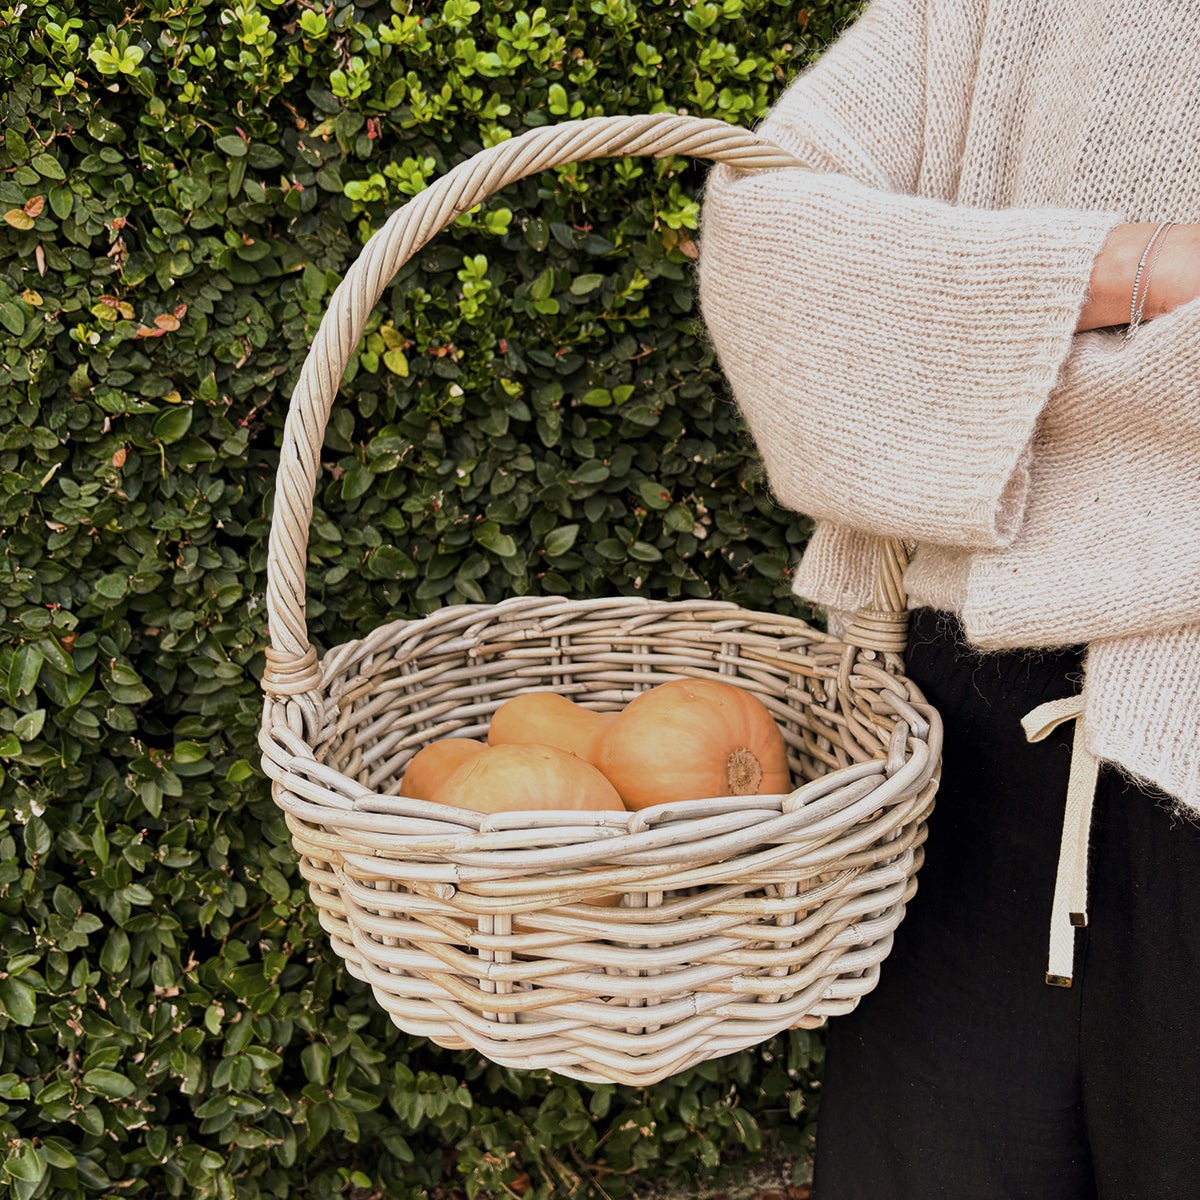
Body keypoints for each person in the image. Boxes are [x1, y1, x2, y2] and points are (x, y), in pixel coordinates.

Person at [696, 1, 1200, 1196]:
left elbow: (848, 309)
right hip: (960, 771)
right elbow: (765, 248)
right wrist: (1139, 268)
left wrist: (955, 346)